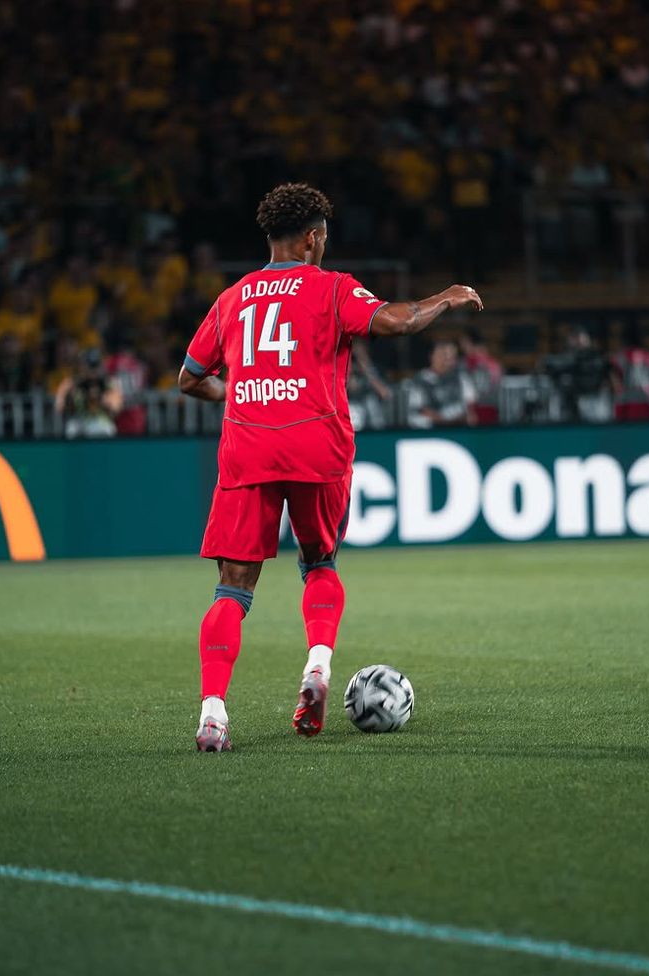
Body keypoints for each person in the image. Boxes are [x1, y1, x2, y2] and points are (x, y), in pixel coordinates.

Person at [178, 182, 482, 753]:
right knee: (319, 562)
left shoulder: (232, 298)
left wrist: (239, 392)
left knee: (231, 590)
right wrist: (446, 297)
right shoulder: (332, 287)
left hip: (248, 448)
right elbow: (396, 322)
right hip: (316, 444)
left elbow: (190, 378)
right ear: (313, 238)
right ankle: (317, 665)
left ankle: (213, 715)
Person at [407, 340, 476, 428]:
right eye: (443, 355)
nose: (447, 360)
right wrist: (445, 420)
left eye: (451, 356)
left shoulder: (462, 378)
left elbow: (471, 412)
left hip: (459, 430)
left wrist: (444, 420)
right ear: (432, 356)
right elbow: (419, 413)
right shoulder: (419, 381)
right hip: (431, 432)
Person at [611, 323, 649, 421]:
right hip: (644, 397)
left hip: (626, 398)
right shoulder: (648, 355)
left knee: (625, 428)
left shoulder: (621, 356)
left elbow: (614, 373)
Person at [459, 326, 503, 424]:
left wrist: (470, 411)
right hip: (494, 410)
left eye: (463, 342)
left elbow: (468, 391)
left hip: (476, 411)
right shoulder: (494, 363)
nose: (461, 346)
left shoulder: (468, 362)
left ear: (467, 341)